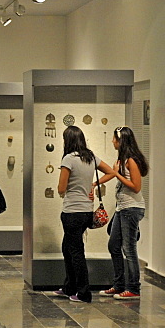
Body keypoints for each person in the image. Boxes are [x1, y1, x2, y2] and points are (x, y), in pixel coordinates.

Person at [54, 126, 109, 303]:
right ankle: (69, 286)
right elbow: (111, 171)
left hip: (72, 211)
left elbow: (61, 188)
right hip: (86, 211)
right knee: (67, 248)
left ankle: (84, 292)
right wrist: (92, 185)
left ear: (67, 140)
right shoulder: (90, 157)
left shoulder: (68, 159)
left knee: (76, 252)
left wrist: (63, 190)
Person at [98, 126, 149, 300]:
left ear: (121, 141)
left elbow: (136, 186)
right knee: (113, 245)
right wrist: (94, 184)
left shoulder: (131, 161)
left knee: (129, 248)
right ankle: (119, 284)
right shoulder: (121, 160)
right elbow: (112, 175)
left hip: (132, 208)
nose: (112, 141)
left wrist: (118, 174)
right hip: (122, 208)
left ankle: (134, 288)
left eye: (114, 139)